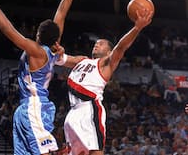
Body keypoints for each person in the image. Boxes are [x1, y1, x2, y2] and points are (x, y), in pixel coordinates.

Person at [0, 0, 91, 155]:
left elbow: (8, 31)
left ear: (38, 35)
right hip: (25, 109)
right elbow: (61, 14)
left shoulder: (37, 52)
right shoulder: (52, 50)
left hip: (34, 106)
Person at [61, 8, 153, 154]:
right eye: (96, 43)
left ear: (110, 51)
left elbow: (121, 47)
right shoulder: (82, 60)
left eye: (101, 43)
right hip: (72, 113)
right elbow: (61, 58)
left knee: (96, 152)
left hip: (90, 109)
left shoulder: (106, 63)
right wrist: (54, 51)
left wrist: (137, 27)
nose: (96, 44)